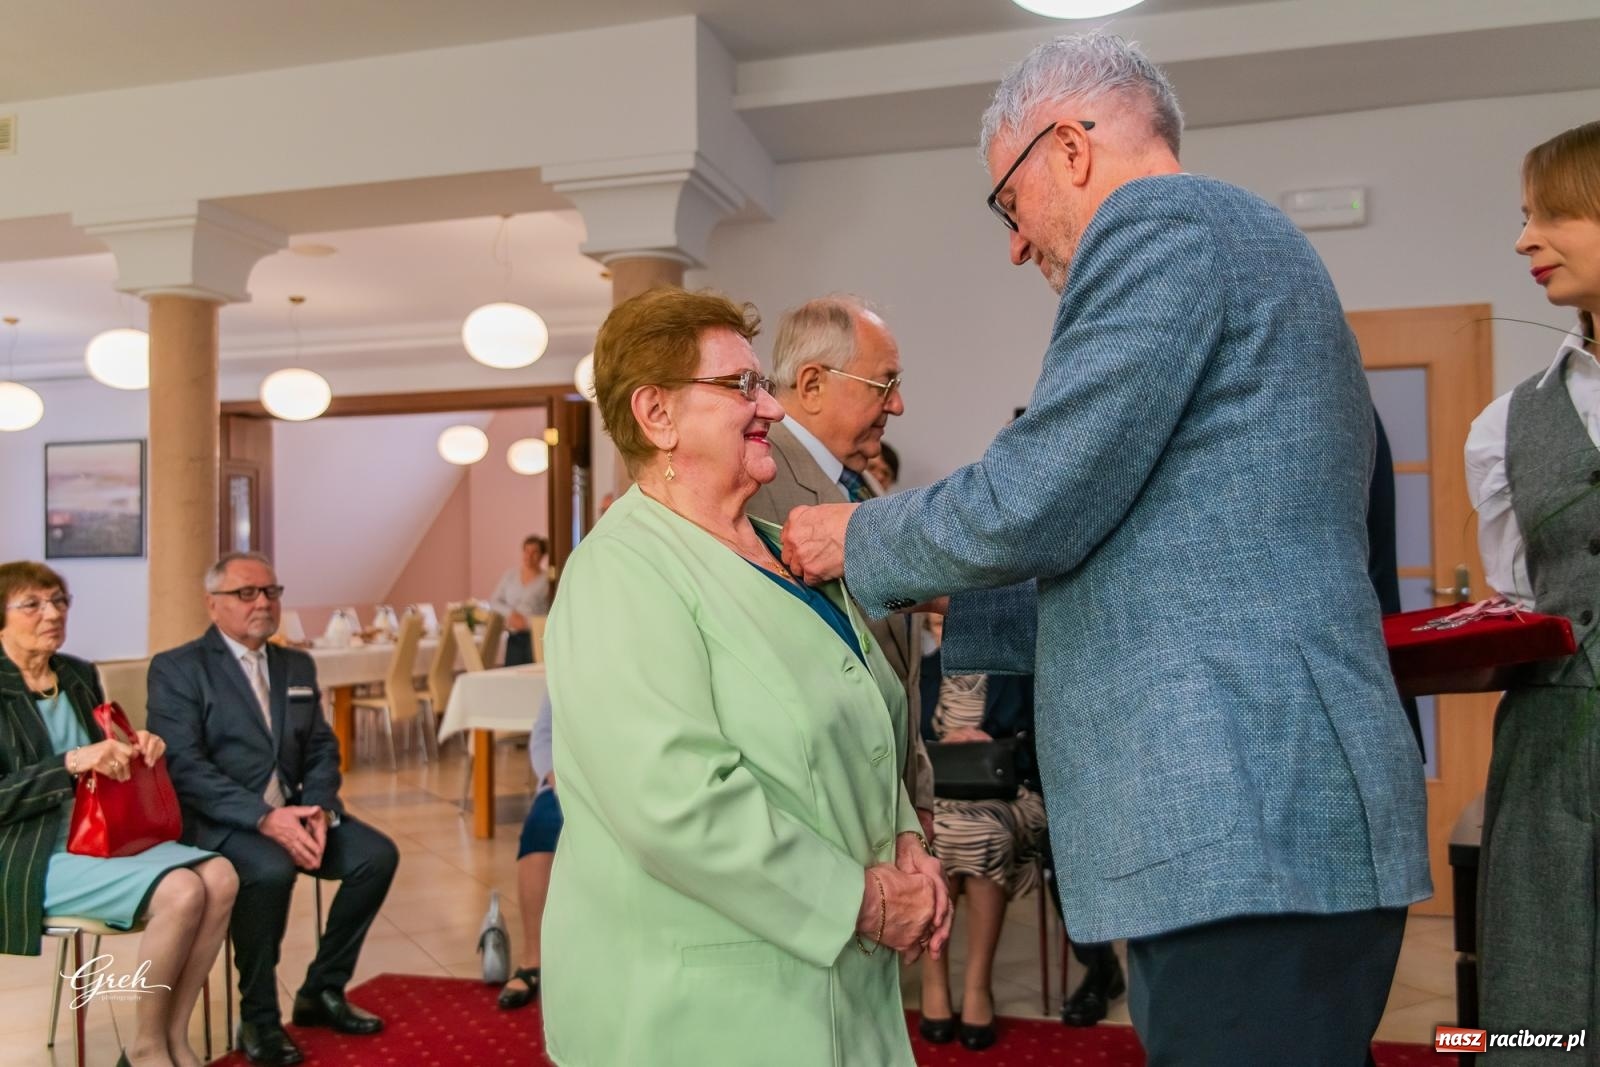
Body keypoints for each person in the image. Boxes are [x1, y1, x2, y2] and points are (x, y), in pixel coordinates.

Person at [781, 32, 1429, 1066]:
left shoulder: (1159, 227)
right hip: (1262, 810)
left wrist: (858, 534)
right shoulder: (1233, 238)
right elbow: (1167, 548)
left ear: (1071, 149)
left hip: (1241, 809)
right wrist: (960, 599)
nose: (1014, 243)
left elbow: (1041, 491)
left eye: (1009, 201)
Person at [539, 286, 951, 1067]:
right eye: (742, 386)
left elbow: (866, 720)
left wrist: (905, 840)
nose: (773, 407)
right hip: (699, 1010)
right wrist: (866, 901)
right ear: (656, 414)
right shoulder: (617, 573)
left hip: (832, 991)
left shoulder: (782, 545)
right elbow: (676, 803)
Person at [147, 552, 400, 1067]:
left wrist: (319, 810)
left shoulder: (295, 665)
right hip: (221, 823)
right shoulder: (178, 668)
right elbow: (184, 767)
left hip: (296, 811)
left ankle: (321, 990)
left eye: (271, 592)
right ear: (212, 604)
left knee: (376, 857)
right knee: (269, 870)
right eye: (247, 593)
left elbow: (321, 748)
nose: (262, 602)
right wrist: (264, 818)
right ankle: (259, 1017)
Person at [1464, 119, 1600, 1058]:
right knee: (1544, 1020)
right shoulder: (1506, 425)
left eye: (1551, 214)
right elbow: (1521, 593)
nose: (1524, 240)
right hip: (1554, 755)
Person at [0, 561, 237, 1067]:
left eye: (59, 601)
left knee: (221, 876)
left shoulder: (77, 674)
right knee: (182, 889)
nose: (53, 614)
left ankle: (173, 1037)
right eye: (33, 604)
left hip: (100, 835)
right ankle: (147, 1047)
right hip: (28, 851)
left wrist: (136, 745)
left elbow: (104, 759)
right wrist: (70, 762)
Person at [745, 296, 935, 845]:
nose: (897, 404)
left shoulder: (862, 482)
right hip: (827, 820)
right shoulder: (759, 484)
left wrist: (917, 794)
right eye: (884, 384)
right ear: (812, 384)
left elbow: (898, 667)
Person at [914, 615, 1047, 1051]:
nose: (942, 626)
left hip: (1003, 794)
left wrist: (985, 739)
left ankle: (977, 986)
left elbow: (1037, 737)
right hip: (937, 795)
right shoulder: (920, 671)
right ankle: (935, 983)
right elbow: (904, 741)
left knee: (985, 831)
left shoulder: (1009, 668)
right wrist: (941, 744)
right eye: (934, 621)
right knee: (931, 837)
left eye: (948, 617)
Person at [497, 691, 557, 1010]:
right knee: (541, 825)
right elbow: (543, 735)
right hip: (565, 782)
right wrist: (555, 777)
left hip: (622, 784)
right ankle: (533, 960)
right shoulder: (564, 668)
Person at [490, 535, 552, 666]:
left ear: (542, 555)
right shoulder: (510, 575)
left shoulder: (546, 581)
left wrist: (526, 622)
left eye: (534, 552)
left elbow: (550, 611)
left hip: (535, 636)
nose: (529, 556)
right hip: (514, 636)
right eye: (526, 551)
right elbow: (494, 601)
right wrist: (511, 614)